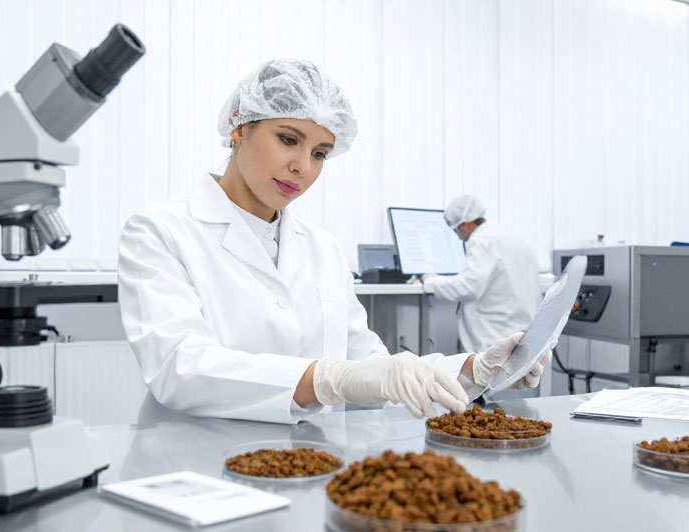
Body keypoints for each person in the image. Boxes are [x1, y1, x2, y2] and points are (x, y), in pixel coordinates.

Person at [118, 59, 549, 424]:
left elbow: (372, 369)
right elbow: (181, 368)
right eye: (288, 139)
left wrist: (476, 369)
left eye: (320, 153)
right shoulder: (160, 231)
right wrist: (324, 379)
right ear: (238, 127)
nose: (302, 167)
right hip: (201, 468)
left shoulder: (321, 248)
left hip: (314, 469)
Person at [421, 195, 542, 354]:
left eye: (456, 231)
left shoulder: (482, 241)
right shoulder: (510, 237)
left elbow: (468, 287)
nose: (459, 238)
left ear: (464, 225)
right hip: (523, 335)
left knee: (486, 377)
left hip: (494, 338)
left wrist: (430, 281)